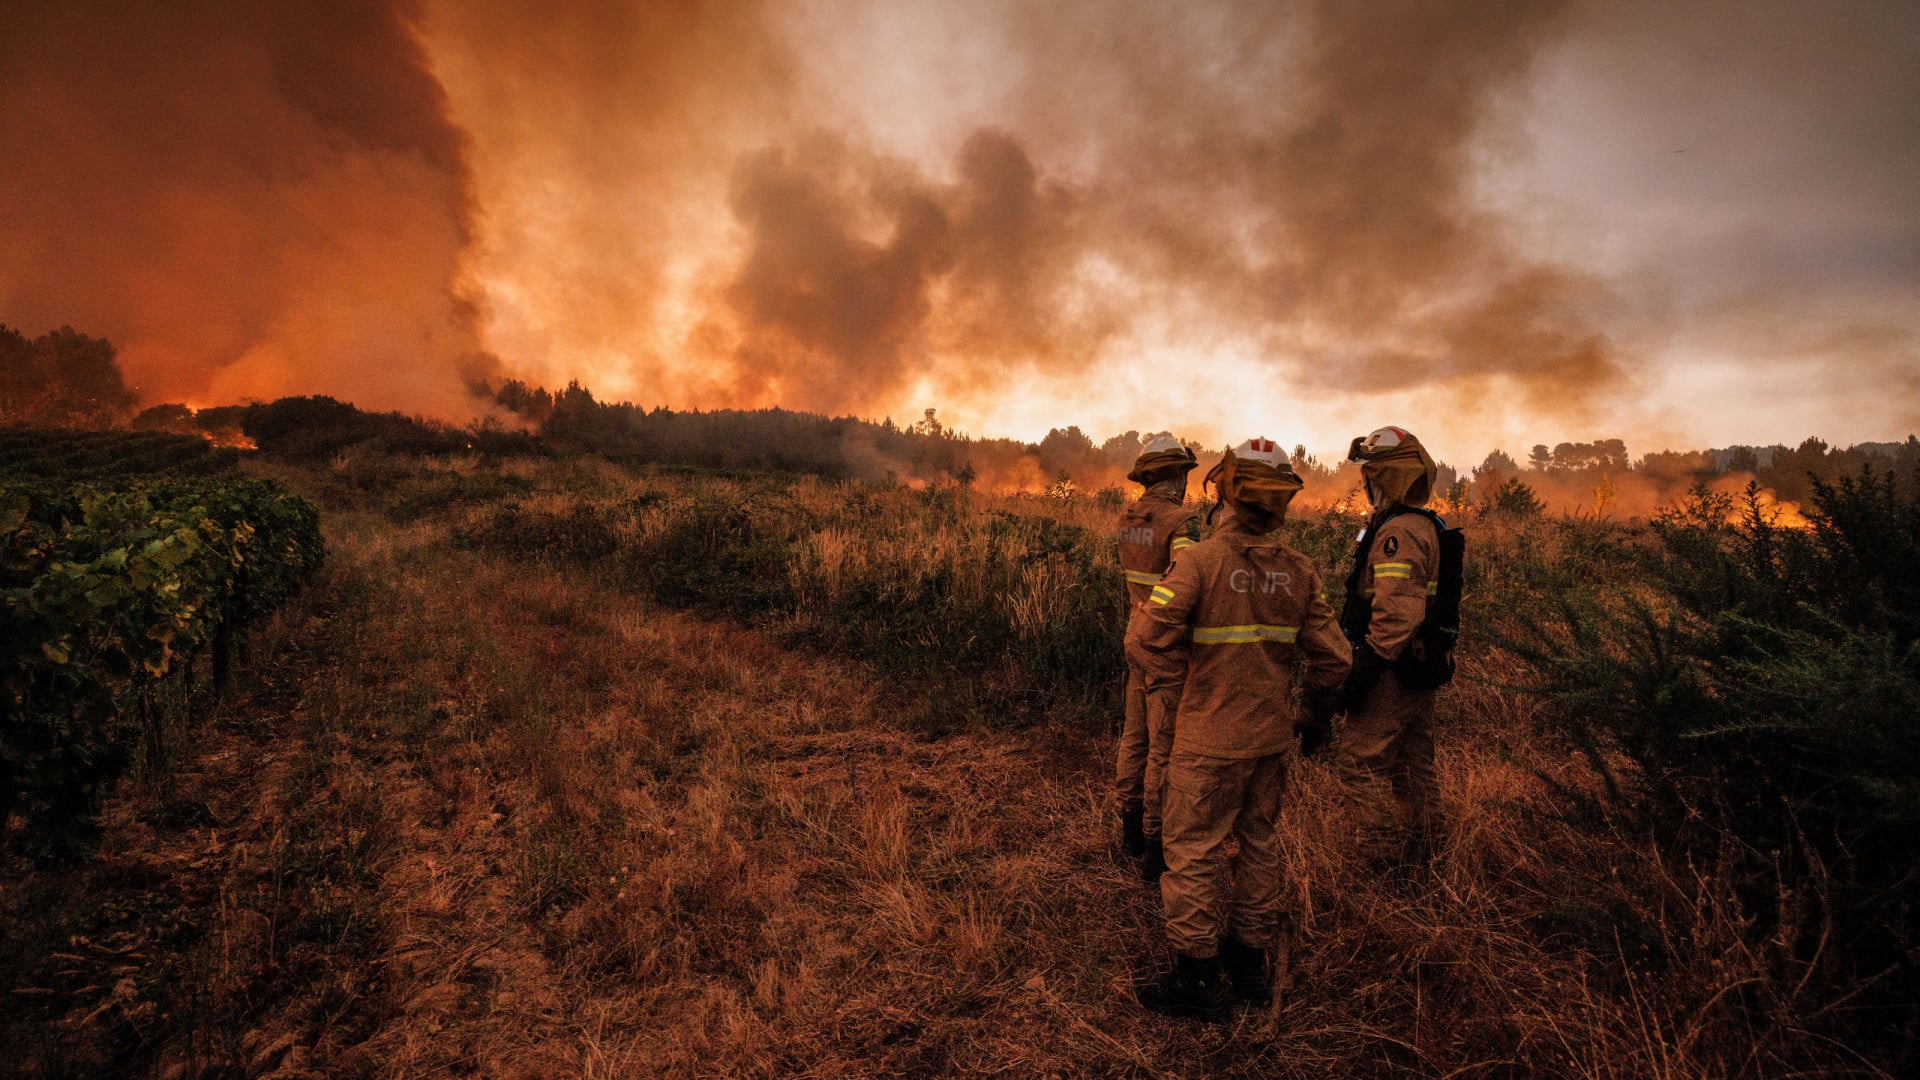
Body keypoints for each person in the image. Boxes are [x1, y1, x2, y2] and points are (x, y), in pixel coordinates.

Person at [1126, 438, 1351, 1020]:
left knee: (1192, 848)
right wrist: (1312, 716)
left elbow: (1144, 638)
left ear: (1225, 492)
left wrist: (1179, 685)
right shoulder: (1298, 571)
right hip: (1270, 739)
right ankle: (1249, 961)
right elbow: (1335, 660)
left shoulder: (1200, 562)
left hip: (1207, 739)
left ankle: (1198, 976)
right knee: (1259, 841)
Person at [1333, 426, 1453, 869]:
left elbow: (1396, 615)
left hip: (1392, 669)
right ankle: (1427, 856)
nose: (1365, 482)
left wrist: (1361, 676)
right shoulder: (1421, 525)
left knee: (1360, 765)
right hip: (1416, 666)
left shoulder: (1398, 534)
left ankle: (1380, 861)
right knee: (1413, 767)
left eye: (1369, 473)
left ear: (1383, 477)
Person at [1113, 434, 1201, 876]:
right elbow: (1185, 582)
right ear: (1177, 476)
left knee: (1134, 737)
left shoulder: (1128, 516)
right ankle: (1154, 846)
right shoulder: (1182, 522)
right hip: (1166, 643)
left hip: (1135, 633)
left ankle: (1129, 831)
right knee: (1163, 747)